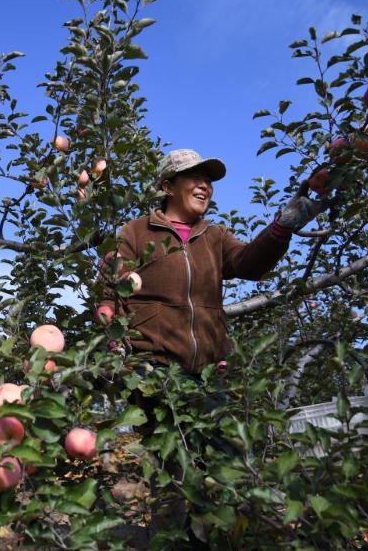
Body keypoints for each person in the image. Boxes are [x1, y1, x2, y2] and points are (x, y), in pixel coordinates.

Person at [97, 148, 328, 548]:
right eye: (194, 177)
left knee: (216, 457)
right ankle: (184, 538)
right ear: (167, 186)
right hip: (153, 368)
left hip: (206, 370)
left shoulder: (214, 235)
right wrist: (116, 344)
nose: (204, 184)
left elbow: (249, 265)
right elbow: (109, 292)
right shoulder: (134, 233)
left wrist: (281, 228)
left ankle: (215, 536)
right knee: (185, 460)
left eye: (209, 179)